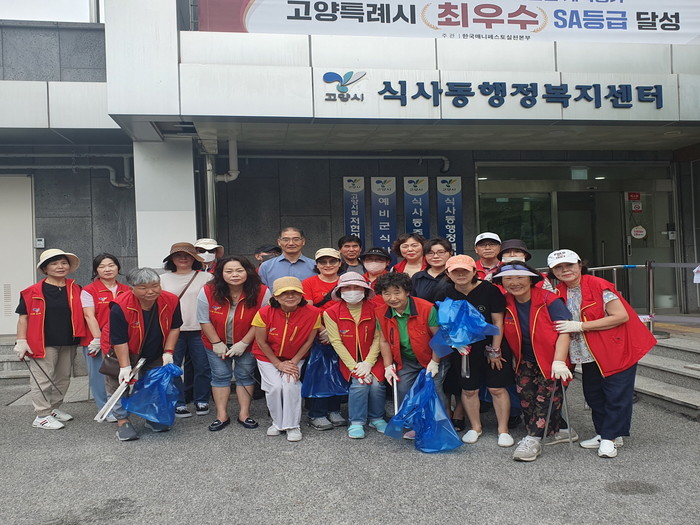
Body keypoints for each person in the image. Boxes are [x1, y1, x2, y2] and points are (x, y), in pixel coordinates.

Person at [548, 249, 656, 458]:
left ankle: (609, 438)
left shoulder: (598, 285)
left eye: (569, 265)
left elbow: (620, 316)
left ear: (580, 265)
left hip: (616, 348)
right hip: (588, 352)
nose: (565, 270)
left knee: (616, 395)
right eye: (558, 267)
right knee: (593, 394)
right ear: (553, 272)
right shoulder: (558, 292)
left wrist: (581, 326)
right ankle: (606, 433)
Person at [492, 263, 574, 462]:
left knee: (545, 399)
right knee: (526, 398)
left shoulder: (549, 300)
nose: (514, 282)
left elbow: (565, 331)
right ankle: (561, 429)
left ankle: (532, 441)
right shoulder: (505, 301)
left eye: (520, 277)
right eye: (508, 278)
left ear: (531, 279)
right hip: (525, 359)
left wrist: (559, 362)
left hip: (551, 359)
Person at [435, 255, 514, 447]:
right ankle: (475, 427)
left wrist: (495, 349)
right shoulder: (445, 293)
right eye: (455, 271)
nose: (460, 274)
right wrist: (454, 344)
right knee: (469, 390)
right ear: (448, 274)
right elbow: (443, 324)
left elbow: (498, 321)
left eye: (465, 270)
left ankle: (503, 430)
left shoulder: (490, 290)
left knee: (496, 388)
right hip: (463, 349)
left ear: (474, 271)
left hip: (492, 345)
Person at [105, 267, 182, 441]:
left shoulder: (171, 300)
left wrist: (168, 352)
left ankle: (151, 417)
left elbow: (175, 327)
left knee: (154, 383)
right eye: (143, 288)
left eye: (155, 286)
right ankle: (122, 421)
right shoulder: (120, 306)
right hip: (124, 349)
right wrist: (125, 366)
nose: (150, 291)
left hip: (155, 350)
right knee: (119, 384)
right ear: (131, 288)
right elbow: (119, 340)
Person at [14, 249, 86, 430]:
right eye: (54, 264)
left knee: (63, 378)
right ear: (45, 269)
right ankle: (41, 415)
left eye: (63, 263)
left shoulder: (76, 288)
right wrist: (21, 341)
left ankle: (53, 408)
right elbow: (23, 318)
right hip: (42, 342)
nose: (60, 267)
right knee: (43, 380)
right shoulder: (31, 292)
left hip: (68, 340)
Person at [198, 255, 269, 431]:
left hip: (248, 342)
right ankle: (221, 415)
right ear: (220, 273)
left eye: (239, 270)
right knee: (220, 375)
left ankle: (244, 414)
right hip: (215, 342)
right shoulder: (208, 290)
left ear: (248, 271)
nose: (234, 275)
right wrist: (216, 342)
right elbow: (204, 319)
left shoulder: (262, 291)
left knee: (244, 375)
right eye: (229, 271)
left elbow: (262, 321)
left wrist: (244, 343)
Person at [374, 272, 447, 439]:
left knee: (434, 389)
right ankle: (414, 425)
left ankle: (439, 427)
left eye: (397, 292)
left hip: (433, 356)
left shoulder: (426, 308)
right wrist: (388, 365)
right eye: (386, 293)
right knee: (403, 388)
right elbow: (384, 340)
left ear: (407, 291)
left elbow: (439, 338)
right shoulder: (381, 312)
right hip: (407, 358)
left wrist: (435, 362)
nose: (392, 298)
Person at [252, 277, 321, 442]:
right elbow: (261, 342)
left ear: (301, 295)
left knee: (290, 385)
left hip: (295, 357)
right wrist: (277, 363)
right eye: (284, 293)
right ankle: (277, 423)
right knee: (275, 387)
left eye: (295, 292)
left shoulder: (313, 313)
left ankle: (292, 425)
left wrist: (293, 362)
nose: (290, 296)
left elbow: (308, 341)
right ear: (275, 296)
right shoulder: (264, 313)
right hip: (267, 357)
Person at [324, 273, 387, 439]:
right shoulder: (330, 312)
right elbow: (336, 342)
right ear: (340, 291)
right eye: (347, 288)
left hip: (374, 357)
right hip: (348, 359)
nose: (352, 291)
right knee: (359, 384)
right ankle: (357, 422)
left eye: (357, 287)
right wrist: (355, 367)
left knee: (377, 384)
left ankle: (376, 418)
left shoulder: (377, 308)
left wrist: (368, 363)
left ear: (365, 290)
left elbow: (378, 337)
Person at [160, 242, 213, 418]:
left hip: (200, 329)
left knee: (203, 367)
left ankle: (202, 399)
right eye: (178, 255)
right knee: (173, 367)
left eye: (187, 255)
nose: (183, 258)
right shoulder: (163, 279)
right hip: (174, 331)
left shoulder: (206, 278)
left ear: (194, 259)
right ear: (171, 259)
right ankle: (179, 402)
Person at [81, 253, 130, 421]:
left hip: (121, 340)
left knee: (120, 373)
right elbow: (89, 315)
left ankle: (120, 407)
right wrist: (97, 338)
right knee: (98, 376)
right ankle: (105, 409)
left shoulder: (127, 289)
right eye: (101, 266)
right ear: (96, 270)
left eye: (111, 265)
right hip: (96, 340)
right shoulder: (89, 290)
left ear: (118, 267)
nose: (107, 269)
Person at [302, 248, 347, 430]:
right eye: (323, 262)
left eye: (332, 261)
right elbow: (308, 310)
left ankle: (334, 410)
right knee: (319, 373)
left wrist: (335, 333)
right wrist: (323, 330)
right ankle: (317, 413)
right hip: (319, 336)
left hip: (343, 334)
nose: (328, 265)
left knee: (338, 372)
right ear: (317, 264)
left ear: (339, 263)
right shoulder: (309, 283)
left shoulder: (345, 281)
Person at [411, 237, 453, 303]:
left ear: (450, 253)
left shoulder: (455, 274)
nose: (435, 256)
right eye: (430, 253)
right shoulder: (418, 277)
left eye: (441, 252)